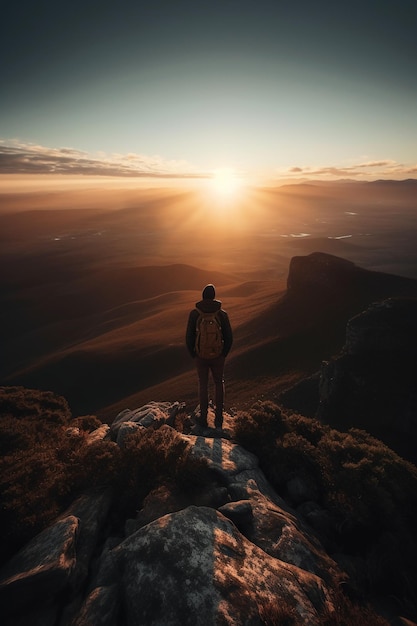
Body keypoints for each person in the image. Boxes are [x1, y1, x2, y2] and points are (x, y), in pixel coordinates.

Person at [186, 284, 233, 429]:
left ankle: (204, 418)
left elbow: (189, 336)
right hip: (218, 356)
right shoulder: (222, 314)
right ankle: (219, 418)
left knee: (203, 384)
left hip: (200, 356)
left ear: (203, 296)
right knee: (219, 383)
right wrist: (223, 354)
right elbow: (229, 337)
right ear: (214, 296)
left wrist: (194, 354)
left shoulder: (195, 313)